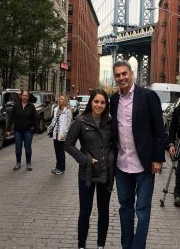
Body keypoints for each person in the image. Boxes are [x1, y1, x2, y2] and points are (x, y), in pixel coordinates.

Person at [110, 60, 165, 249]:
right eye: (117, 75)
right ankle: (126, 245)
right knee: (125, 209)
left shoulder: (148, 96)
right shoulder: (114, 100)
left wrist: (158, 159)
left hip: (144, 165)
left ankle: (138, 246)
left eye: (124, 73)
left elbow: (159, 130)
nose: (121, 78)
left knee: (142, 210)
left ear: (131, 73)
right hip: (121, 165)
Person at [65, 89, 114, 249]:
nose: (99, 105)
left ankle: (101, 245)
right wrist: (85, 159)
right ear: (91, 103)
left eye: (102, 102)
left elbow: (117, 144)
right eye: (96, 101)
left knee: (103, 213)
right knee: (85, 212)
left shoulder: (110, 122)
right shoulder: (80, 121)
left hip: (105, 173)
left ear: (106, 105)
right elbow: (68, 144)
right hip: (86, 174)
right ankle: (81, 245)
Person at [8, 90, 37, 171]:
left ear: (28, 97)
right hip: (18, 131)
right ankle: (18, 163)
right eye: (23, 95)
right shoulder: (16, 106)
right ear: (21, 96)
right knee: (18, 148)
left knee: (27, 148)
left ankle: (28, 163)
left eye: (26, 96)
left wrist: (36, 129)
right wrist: (8, 129)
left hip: (28, 130)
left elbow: (35, 118)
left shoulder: (31, 106)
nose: (25, 97)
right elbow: (11, 118)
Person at [47, 94, 72, 175]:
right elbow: (54, 121)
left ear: (65, 101)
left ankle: (61, 168)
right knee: (57, 152)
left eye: (61, 99)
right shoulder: (56, 109)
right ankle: (57, 167)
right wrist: (49, 128)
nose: (59, 100)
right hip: (56, 134)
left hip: (62, 135)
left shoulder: (68, 111)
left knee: (61, 152)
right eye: (59, 99)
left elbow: (68, 125)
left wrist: (64, 135)